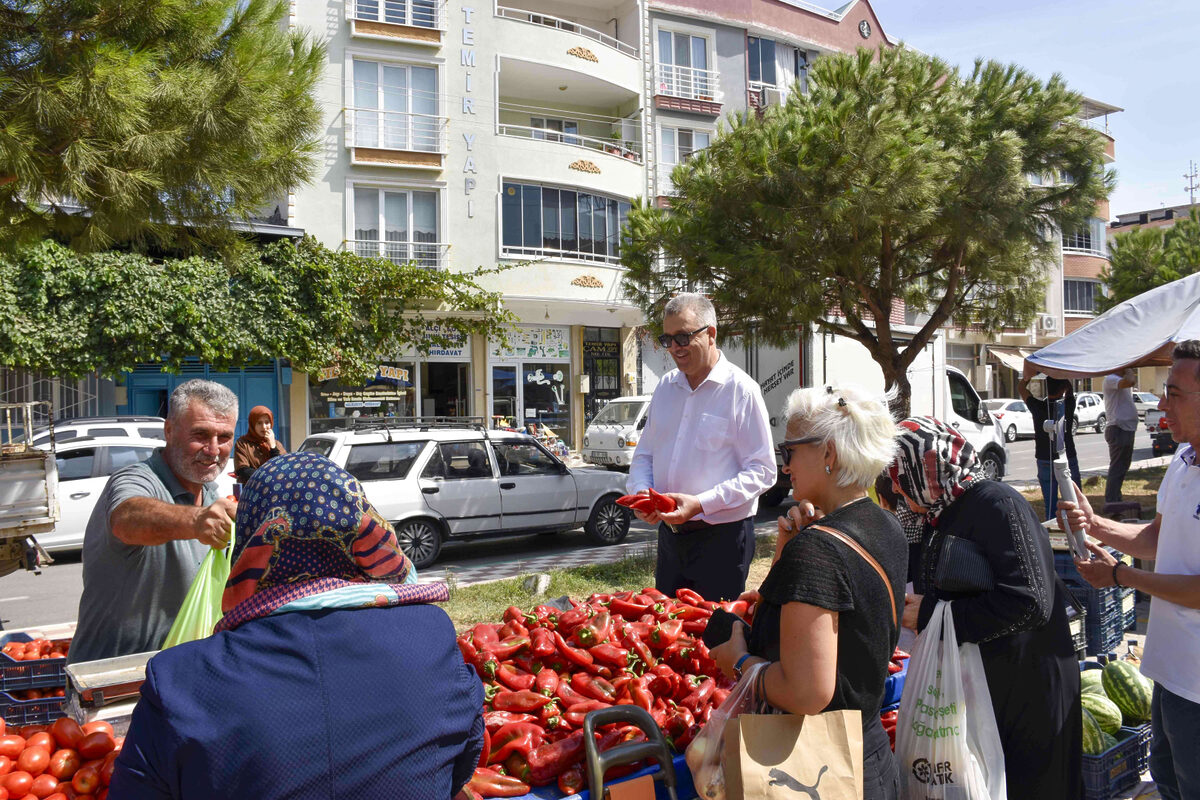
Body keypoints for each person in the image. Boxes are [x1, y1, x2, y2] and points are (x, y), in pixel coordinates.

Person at [109, 451, 483, 799]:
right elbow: (460, 761)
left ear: (252, 539)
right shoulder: (430, 634)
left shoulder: (179, 678)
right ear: (361, 524)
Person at [710, 385, 905, 800]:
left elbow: (807, 692)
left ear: (829, 454)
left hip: (819, 769)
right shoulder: (885, 524)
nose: (786, 466)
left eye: (790, 451)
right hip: (868, 755)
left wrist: (740, 662)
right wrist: (789, 543)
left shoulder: (818, 550)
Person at [890, 417, 1080, 800]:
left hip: (1029, 691)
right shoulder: (936, 512)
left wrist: (930, 614)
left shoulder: (998, 505)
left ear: (923, 471)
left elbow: (1029, 604)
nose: (895, 487)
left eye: (899, 476)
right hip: (986, 683)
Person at [1063, 340, 1200, 800]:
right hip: (1169, 671)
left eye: (1175, 393)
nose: (1161, 404)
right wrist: (1095, 523)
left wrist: (1121, 576)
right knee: (1167, 783)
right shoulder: (1184, 462)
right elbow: (1157, 540)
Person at [69, 380, 239, 664]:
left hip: (178, 673)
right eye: (200, 435)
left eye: (224, 437)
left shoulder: (210, 492)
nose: (213, 449)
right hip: (115, 679)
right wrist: (197, 521)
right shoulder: (135, 479)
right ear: (169, 431)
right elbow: (128, 518)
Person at [627, 293, 776, 600]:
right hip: (670, 538)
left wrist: (701, 503)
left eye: (682, 336)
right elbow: (644, 453)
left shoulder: (741, 391)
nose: (674, 348)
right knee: (665, 629)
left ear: (711, 334)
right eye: (667, 339)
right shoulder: (666, 387)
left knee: (713, 638)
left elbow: (763, 471)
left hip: (721, 540)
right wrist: (643, 492)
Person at [1019, 366, 1082, 520]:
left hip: (1044, 458)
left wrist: (1030, 374)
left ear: (1046, 388)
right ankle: (1079, 529)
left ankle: (1051, 530)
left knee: (1050, 503)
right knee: (1076, 499)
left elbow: (1021, 388)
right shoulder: (1067, 406)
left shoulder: (1037, 407)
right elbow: (1069, 391)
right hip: (1067, 457)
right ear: (1064, 388)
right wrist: (1061, 372)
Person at [1103, 368, 1139, 503]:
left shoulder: (1118, 380)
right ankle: (1112, 500)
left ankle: (1115, 498)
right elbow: (1129, 382)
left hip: (1126, 428)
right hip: (1119, 428)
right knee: (1117, 466)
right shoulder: (1111, 379)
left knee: (1123, 466)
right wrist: (1130, 371)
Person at [233, 405, 286, 484]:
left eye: (267, 422)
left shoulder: (277, 444)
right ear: (252, 424)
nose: (264, 427)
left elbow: (282, 467)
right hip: (251, 489)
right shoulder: (242, 443)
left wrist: (272, 447)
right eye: (259, 423)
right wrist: (266, 477)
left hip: (273, 489)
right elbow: (243, 470)